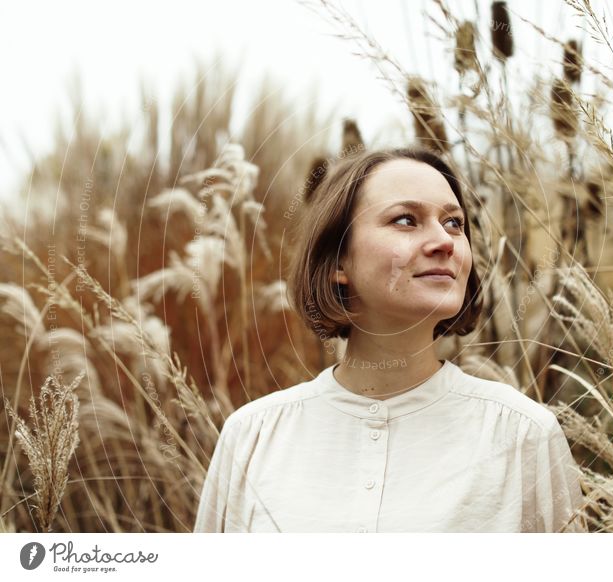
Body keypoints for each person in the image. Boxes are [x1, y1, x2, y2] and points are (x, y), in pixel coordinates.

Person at [193, 147, 585, 533]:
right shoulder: (253, 437)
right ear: (338, 263)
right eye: (405, 220)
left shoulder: (522, 435)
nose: (445, 242)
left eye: (453, 223)